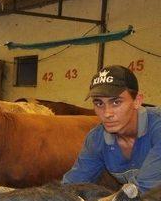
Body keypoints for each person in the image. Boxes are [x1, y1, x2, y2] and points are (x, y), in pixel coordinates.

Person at [63, 65, 161, 193]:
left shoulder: (157, 127)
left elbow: (145, 190)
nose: (107, 113)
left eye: (116, 102)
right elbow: (72, 185)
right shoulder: (96, 139)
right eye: (99, 103)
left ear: (137, 101)